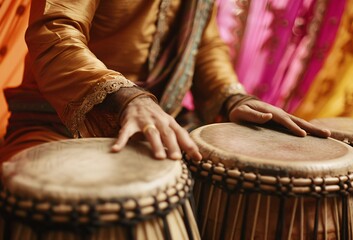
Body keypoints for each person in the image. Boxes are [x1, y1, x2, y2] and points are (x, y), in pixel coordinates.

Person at [0, 0, 330, 163]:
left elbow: (204, 45)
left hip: (158, 124)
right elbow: (54, 29)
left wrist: (234, 99)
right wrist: (128, 98)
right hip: (57, 121)